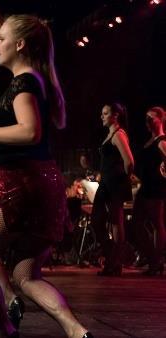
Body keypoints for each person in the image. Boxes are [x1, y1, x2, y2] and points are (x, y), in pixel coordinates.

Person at [0, 2, 93, 337]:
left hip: (21, 187)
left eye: (1, 39)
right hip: (41, 185)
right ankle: (76, 331)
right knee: (26, 277)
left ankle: (2, 331)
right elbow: (9, 30)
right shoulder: (29, 77)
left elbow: (30, 132)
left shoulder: (24, 83)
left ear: (21, 45)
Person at [91, 102, 134, 276]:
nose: (102, 116)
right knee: (98, 220)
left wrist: (122, 179)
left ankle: (115, 263)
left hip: (114, 184)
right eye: (102, 113)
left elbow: (129, 161)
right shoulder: (111, 134)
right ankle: (112, 257)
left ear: (115, 115)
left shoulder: (118, 134)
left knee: (115, 222)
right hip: (107, 184)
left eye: (105, 113)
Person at [133, 106, 166, 275]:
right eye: (146, 118)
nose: (148, 122)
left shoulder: (161, 141)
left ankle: (155, 262)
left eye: (151, 118)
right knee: (137, 224)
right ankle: (153, 259)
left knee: (155, 223)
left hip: (155, 188)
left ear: (160, 119)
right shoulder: (150, 141)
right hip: (145, 187)